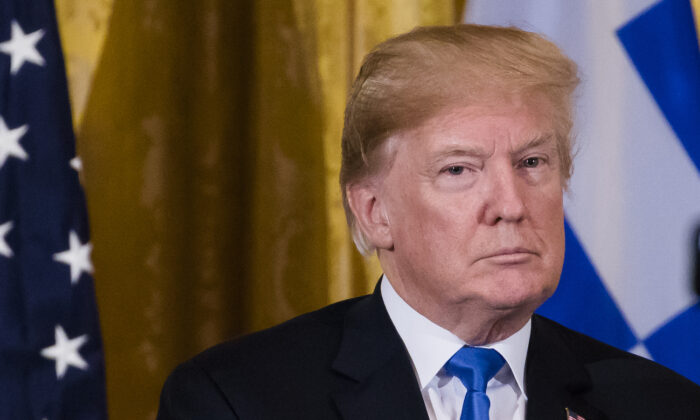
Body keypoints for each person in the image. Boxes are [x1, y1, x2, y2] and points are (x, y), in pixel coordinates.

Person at [156, 24, 700, 420]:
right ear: (374, 213)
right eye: (459, 170)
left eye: (532, 163)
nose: (510, 204)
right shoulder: (236, 400)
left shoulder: (663, 405)